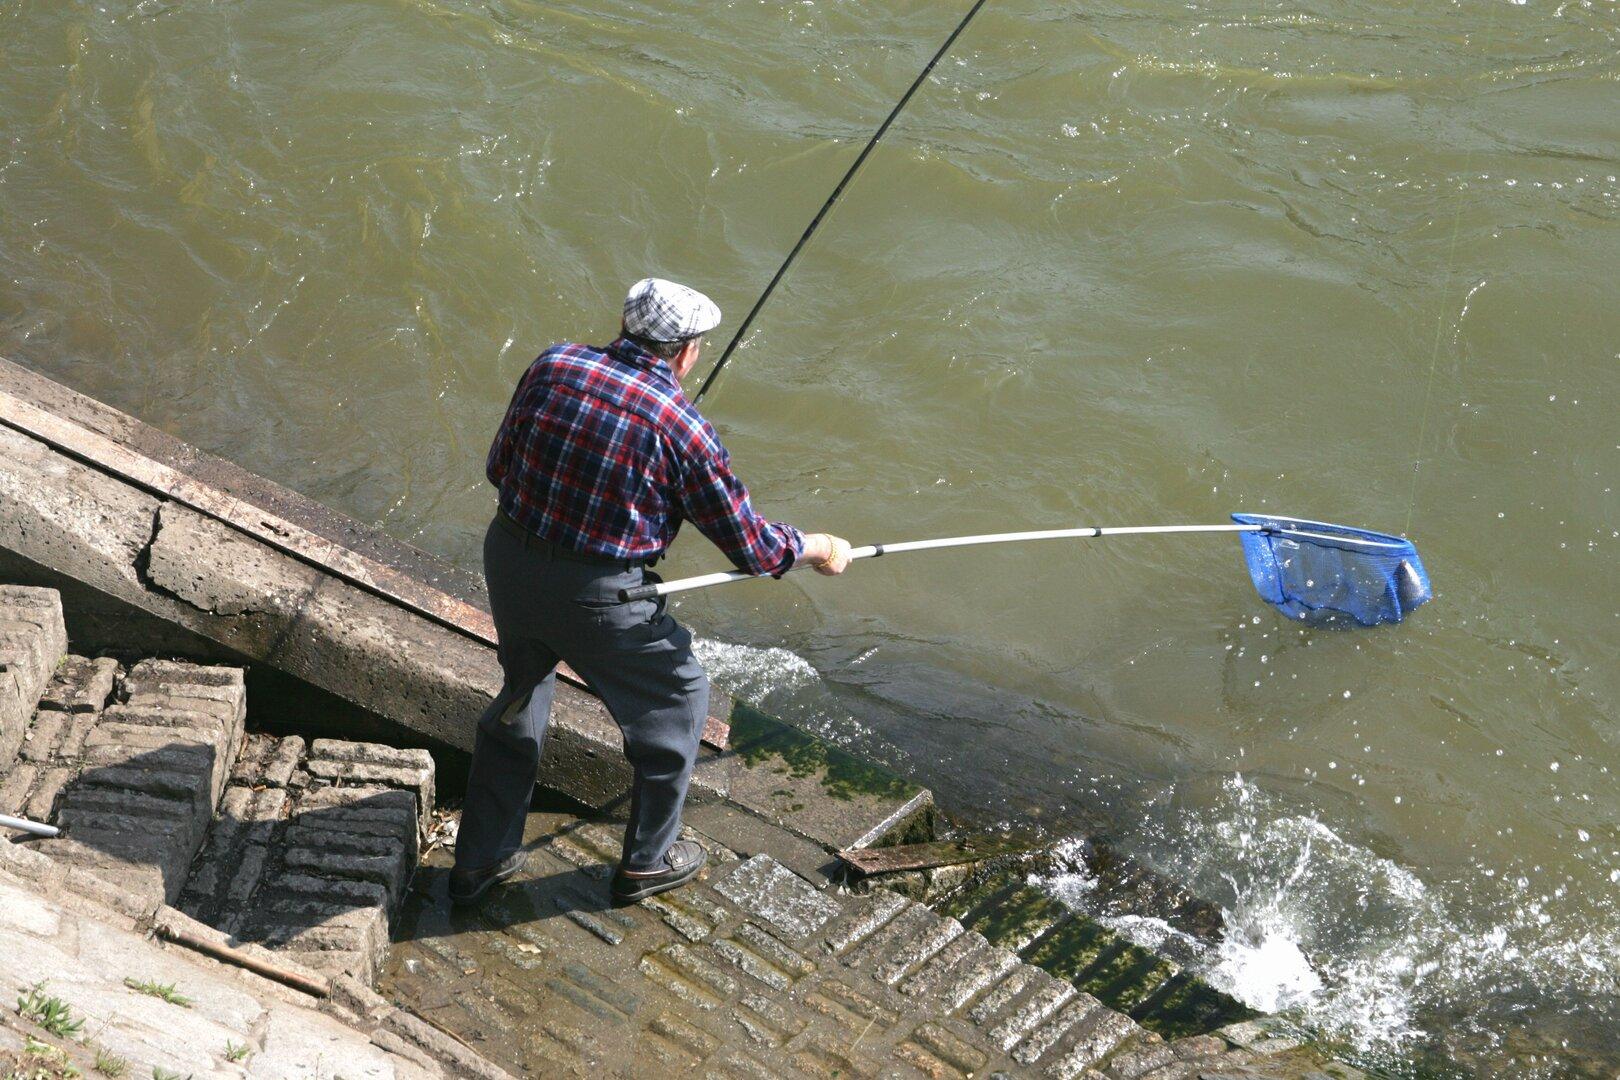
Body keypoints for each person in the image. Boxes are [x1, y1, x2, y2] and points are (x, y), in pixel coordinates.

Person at [449, 277, 852, 906]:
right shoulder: (683, 428)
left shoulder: (553, 364)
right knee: (681, 698)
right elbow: (753, 549)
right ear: (687, 351)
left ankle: (478, 862)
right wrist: (820, 547)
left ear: (626, 323)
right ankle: (646, 862)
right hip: (599, 598)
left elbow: (499, 466)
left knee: (522, 693)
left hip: (509, 560)